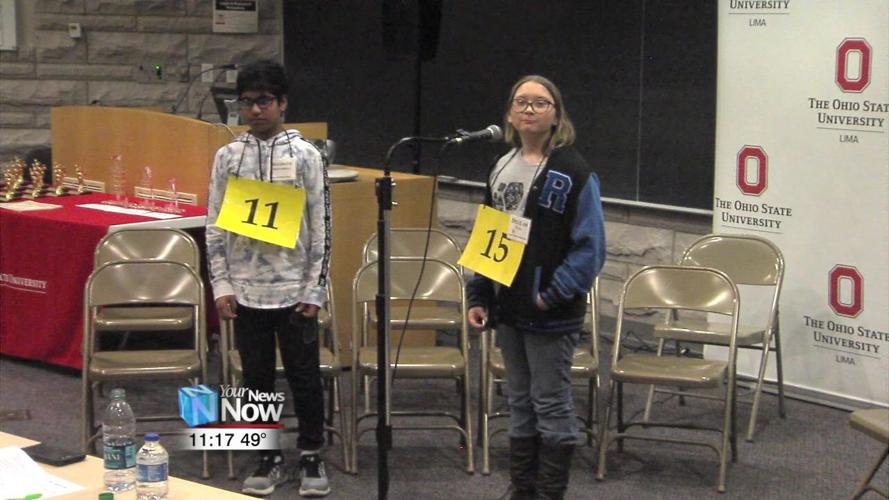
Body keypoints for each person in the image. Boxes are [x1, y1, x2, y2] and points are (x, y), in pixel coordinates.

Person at [467, 75, 606, 500]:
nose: (529, 109)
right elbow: (489, 236)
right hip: (507, 309)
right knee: (519, 401)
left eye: (540, 103)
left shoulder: (574, 171)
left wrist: (551, 293)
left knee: (551, 403)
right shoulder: (501, 166)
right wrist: (480, 294)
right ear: (509, 113)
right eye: (521, 102)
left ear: (556, 115)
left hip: (549, 312)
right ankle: (521, 488)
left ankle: (549, 494)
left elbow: (591, 248)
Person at [206, 60, 332, 497]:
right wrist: (221, 284)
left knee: (304, 376)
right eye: (247, 102)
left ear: (282, 103)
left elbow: (322, 226)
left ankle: (312, 454)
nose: (255, 110)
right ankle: (267, 455)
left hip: (294, 290)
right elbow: (215, 225)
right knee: (256, 378)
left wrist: (315, 289)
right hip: (245, 291)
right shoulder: (227, 156)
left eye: (264, 101)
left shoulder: (306, 155)